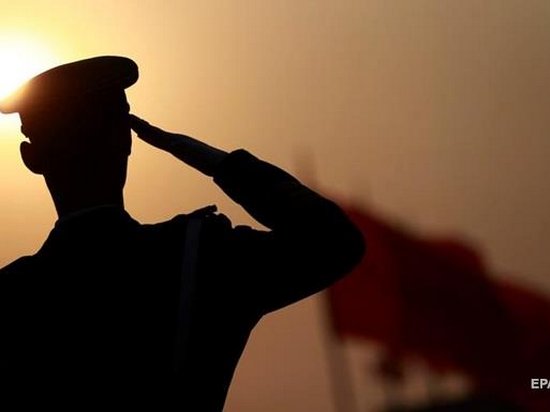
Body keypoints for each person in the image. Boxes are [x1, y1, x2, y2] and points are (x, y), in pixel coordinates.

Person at [0, 56, 365, 410]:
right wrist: (217, 163)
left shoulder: (12, 294)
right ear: (128, 139)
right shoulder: (201, 255)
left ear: (31, 158)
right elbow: (335, 242)